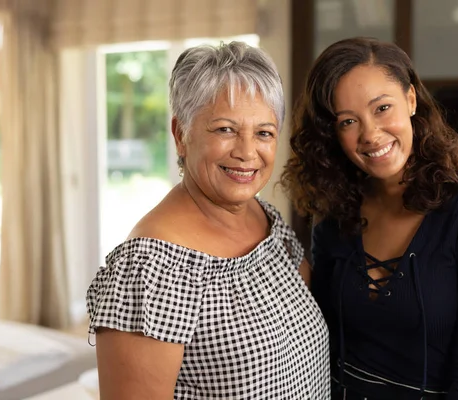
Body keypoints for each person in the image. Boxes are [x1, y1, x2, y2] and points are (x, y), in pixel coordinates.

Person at [86, 41, 330, 399]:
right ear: (180, 134)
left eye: (263, 132)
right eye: (225, 130)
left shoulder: (269, 222)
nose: (247, 152)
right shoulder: (150, 270)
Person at [281, 37, 458, 400]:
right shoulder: (334, 211)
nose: (370, 135)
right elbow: (323, 346)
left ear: (410, 100)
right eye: (348, 121)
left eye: (382, 108)